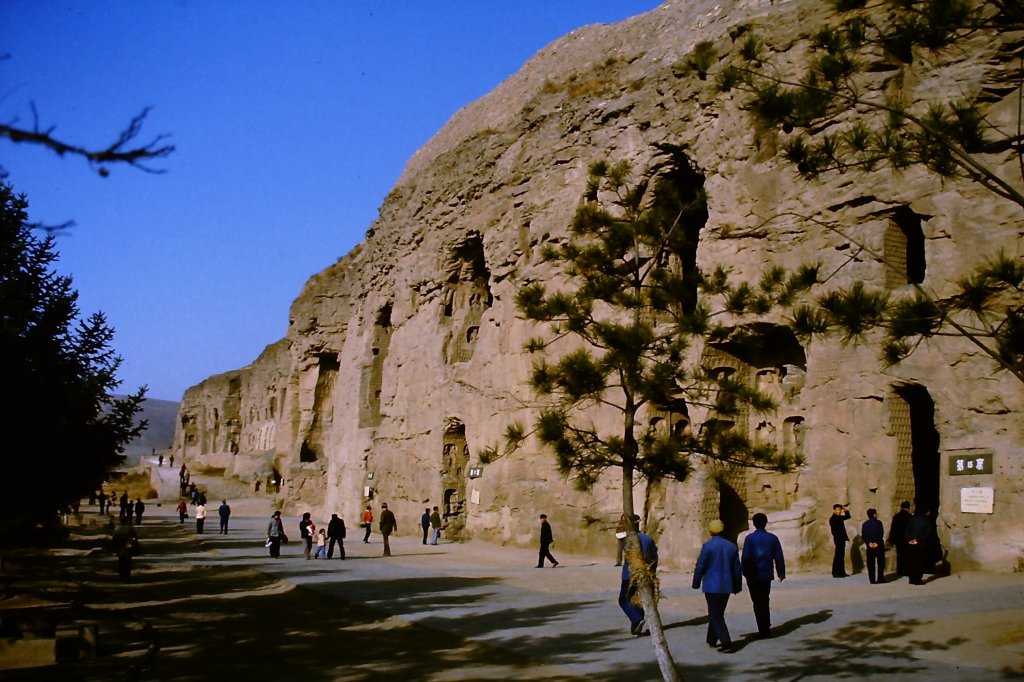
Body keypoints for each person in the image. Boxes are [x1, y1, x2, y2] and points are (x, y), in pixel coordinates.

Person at [692, 519, 742, 653]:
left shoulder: (708, 546)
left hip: (711, 586)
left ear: (710, 531)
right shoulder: (731, 546)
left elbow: (700, 566)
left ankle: (726, 643)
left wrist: (696, 582)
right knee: (717, 612)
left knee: (716, 615)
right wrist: (737, 585)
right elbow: (737, 568)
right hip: (726, 585)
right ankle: (711, 639)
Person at [741, 512, 786, 638]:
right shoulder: (772, 538)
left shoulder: (749, 538)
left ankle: (762, 628)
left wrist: (744, 571)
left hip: (753, 575)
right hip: (766, 574)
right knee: (764, 599)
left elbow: (745, 557)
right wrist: (781, 572)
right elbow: (778, 557)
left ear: (754, 524)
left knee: (757, 601)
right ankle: (766, 625)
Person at [618, 514, 657, 636]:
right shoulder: (648, 539)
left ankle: (637, 619)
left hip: (629, 574)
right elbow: (654, 557)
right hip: (645, 573)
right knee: (638, 599)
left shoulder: (627, 540)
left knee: (623, 600)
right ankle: (636, 626)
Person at [905, 507, 934, 585]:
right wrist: (918, 540)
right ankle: (917, 579)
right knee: (919, 562)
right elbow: (927, 533)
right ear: (927, 512)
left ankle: (911, 579)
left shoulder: (912, 520)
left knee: (912, 561)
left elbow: (907, 530)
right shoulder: (927, 521)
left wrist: (910, 540)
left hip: (911, 544)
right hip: (921, 544)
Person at [109, 516, 139, 583]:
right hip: (128, 547)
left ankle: (121, 577)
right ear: (127, 521)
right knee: (128, 562)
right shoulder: (130, 528)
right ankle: (127, 577)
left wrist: (114, 548)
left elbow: (113, 539)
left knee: (121, 562)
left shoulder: (117, 529)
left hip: (119, 547)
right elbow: (135, 537)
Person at [888, 501, 912, 578]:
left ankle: (900, 570)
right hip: (907, 539)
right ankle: (907, 570)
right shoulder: (910, 517)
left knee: (900, 555)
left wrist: (891, 539)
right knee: (907, 555)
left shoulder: (896, 517)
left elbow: (893, 529)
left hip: (899, 539)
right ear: (908, 508)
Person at [862, 508, 886, 584]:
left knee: (871, 563)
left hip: (869, 546)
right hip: (879, 545)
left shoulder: (865, 524)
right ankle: (880, 578)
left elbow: (864, 536)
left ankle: (872, 579)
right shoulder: (879, 523)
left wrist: (869, 543)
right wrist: (876, 542)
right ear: (874, 514)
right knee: (880, 562)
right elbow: (881, 534)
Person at [829, 503, 851, 577]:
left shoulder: (839, 517)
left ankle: (841, 572)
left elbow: (848, 516)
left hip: (841, 539)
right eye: (838, 510)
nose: (839, 511)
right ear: (834, 510)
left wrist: (844, 509)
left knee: (841, 556)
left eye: (840, 510)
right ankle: (835, 572)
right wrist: (838, 537)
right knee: (838, 556)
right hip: (838, 539)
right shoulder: (833, 518)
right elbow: (834, 532)